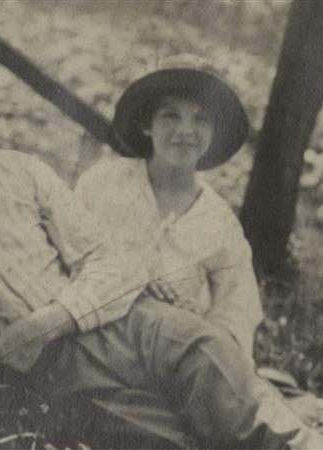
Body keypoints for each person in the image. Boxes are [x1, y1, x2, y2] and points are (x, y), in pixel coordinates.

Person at [0, 35, 323, 449]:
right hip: (43, 376)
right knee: (167, 438)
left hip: (113, 319)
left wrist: (47, 322)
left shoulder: (17, 171)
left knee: (208, 355)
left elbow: (112, 260)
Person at [75, 54, 260, 357]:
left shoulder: (220, 224)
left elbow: (238, 311)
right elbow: (68, 252)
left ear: (214, 132)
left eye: (201, 119)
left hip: (169, 359)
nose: (186, 130)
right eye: (171, 116)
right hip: (92, 340)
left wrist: (202, 331)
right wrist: (129, 276)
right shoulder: (101, 185)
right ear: (146, 124)